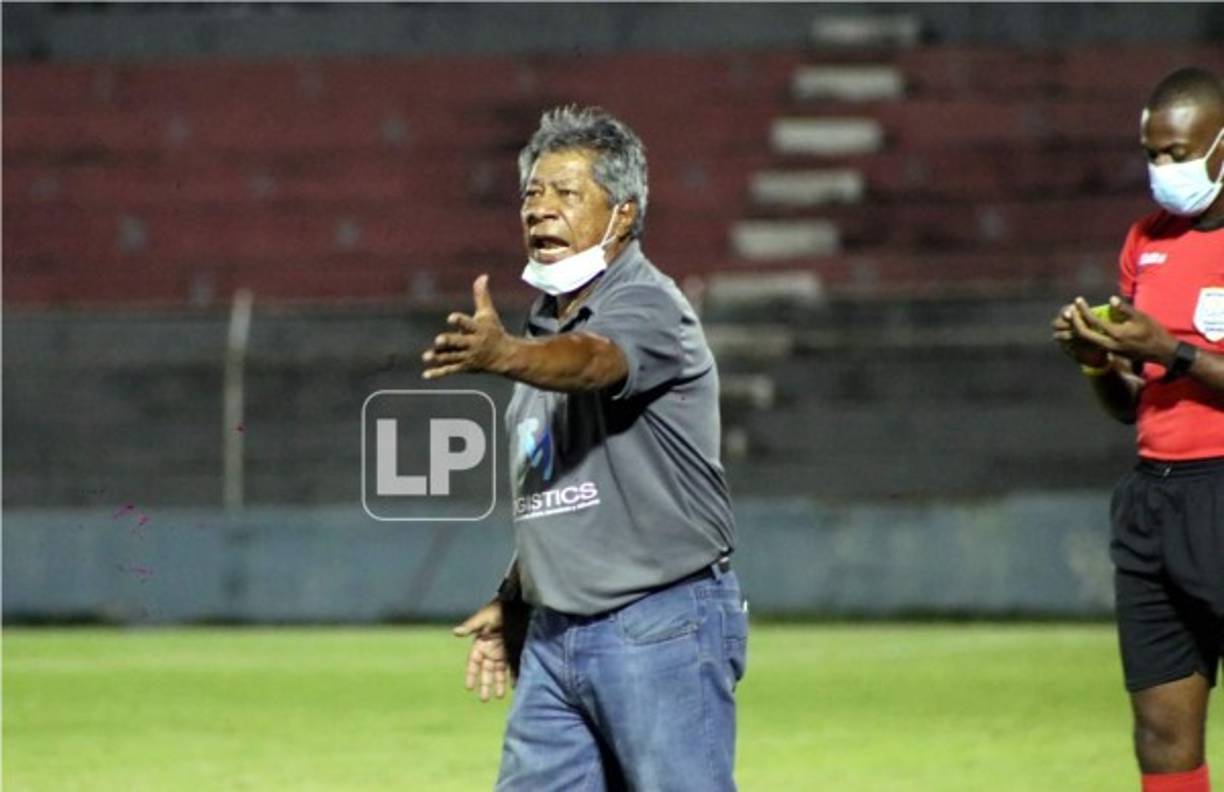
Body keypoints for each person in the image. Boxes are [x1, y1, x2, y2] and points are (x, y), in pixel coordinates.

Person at [422, 105, 746, 792]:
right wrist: (517, 595)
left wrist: (507, 354)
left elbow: (597, 363)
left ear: (623, 216)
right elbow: (557, 486)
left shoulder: (649, 307)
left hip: (658, 624)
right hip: (553, 637)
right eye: (532, 194)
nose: (540, 210)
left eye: (566, 194)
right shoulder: (544, 335)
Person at [1052, 67, 1224, 792]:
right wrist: (1098, 363)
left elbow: (1168, 358)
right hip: (1156, 498)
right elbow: (1134, 402)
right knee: (1159, 731)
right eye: (1153, 154)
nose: (1163, 170)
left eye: (1178, 153)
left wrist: (1173, 352)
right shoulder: (1145, 240)